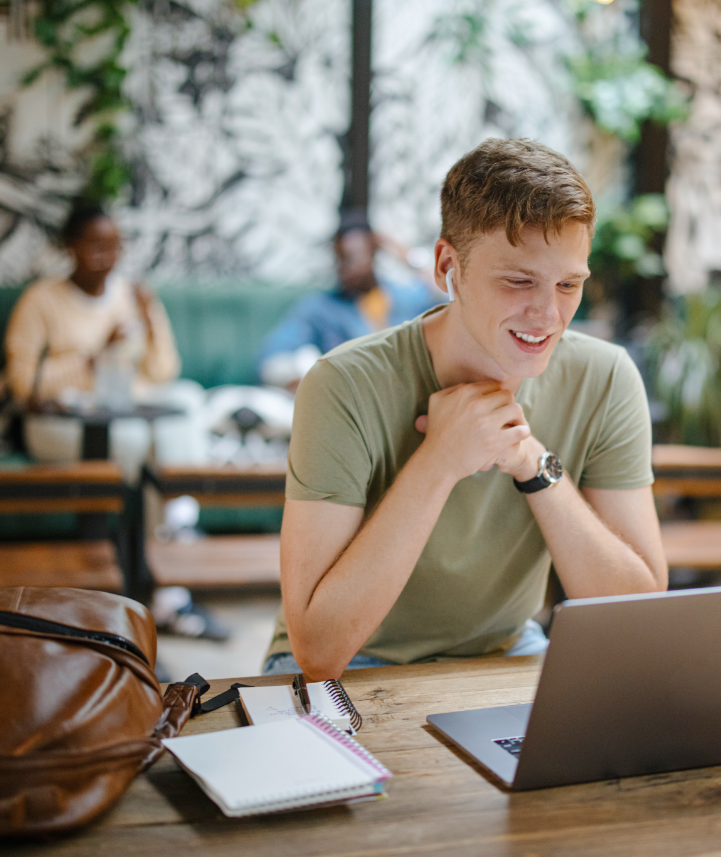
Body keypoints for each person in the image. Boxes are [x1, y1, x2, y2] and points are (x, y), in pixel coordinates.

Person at [264, 139, 668, 679]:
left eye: (569, 284)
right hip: (352, 665)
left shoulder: (606, 377)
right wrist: (440, 460)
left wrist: (532, 463)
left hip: (505, 650)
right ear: (447, 266)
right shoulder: (341, 384)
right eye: (519, 280)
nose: (548, 314)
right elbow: (318, 649)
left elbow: (636, 616)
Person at [4, 200, 227, 641]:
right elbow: (21, 384)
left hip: (128, 412)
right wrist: (92, 356)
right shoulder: (41, 300)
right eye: (94, 245)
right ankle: (163, 586)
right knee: (132, 438)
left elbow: (163, 372)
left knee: (185, 398)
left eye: (114, 246)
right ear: (70, 247)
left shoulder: (132, 295)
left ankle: (179, 514)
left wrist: (149, 317)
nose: (106, 256)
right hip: (63, 424)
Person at [257, 211, 443, 390]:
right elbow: (269, 360)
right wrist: (311, 383)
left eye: (352, 258)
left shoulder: (406, 297)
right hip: (356, 398)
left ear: (373, 253)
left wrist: (407, 256)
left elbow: (449, 296)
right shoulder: (321, 308)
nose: (344, 269)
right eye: (339, 260)